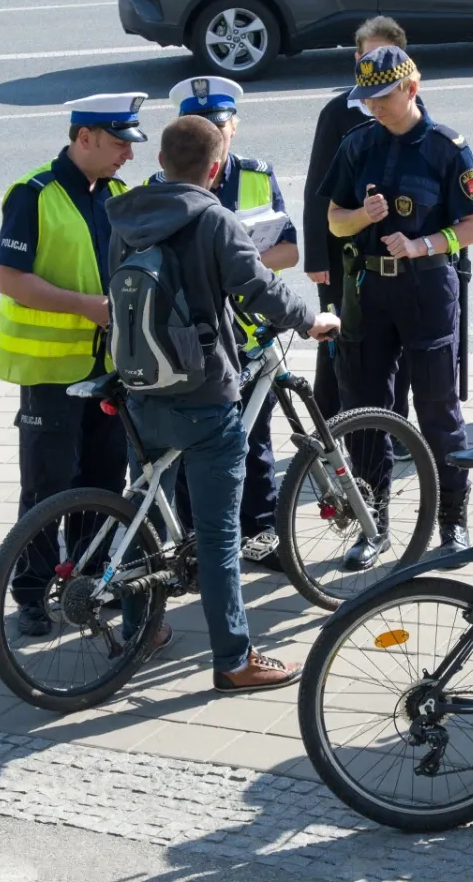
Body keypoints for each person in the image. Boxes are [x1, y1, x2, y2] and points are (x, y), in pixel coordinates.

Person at [105, 115, 342, 693]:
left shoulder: (128, 216)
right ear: (216, 169)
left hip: (141, 388)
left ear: (161, 163)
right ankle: (234, 660)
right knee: (217, 537)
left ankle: (141, 630)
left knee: (144, 517)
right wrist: (311, 319)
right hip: (203, 395)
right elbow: (258, 288)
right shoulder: (214, 218)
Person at [317, 45, 473, 570]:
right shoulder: (357, 144)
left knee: (437, 407)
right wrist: (362, 217)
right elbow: (334, 220)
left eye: (382, 97)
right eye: (366, 98)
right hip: (368, 289)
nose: (373, 106)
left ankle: (452, 520)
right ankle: (374, 524)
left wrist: (422, 245)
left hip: (426, 287)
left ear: (411, 89)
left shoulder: (446, 148)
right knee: (367, 408)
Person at [0, 92, 147, 637]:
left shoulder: (119, 194)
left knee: (103, 481)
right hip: (50, 372)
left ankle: (87, 583)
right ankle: (32, 594)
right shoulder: (34, 193)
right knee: (47, 489)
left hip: (109, 369)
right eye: (120, 143)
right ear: (85, 138)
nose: (129, 154)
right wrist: (85, 306)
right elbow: (10, 278)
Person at [150, 75, 298, 572]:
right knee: (191, 448)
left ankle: (260, 533)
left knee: (255, 441)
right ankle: (196, 541)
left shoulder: (257, 175)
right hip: (192, 342)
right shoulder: (160, 185)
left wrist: (238, 261)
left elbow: (290, 251)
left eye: (221, 124)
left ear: (234, 125)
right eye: (203, 125)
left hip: (250, 335)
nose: (216, 133)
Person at [303, 16, 412, 451]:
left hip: (392, 254)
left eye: (383, 56)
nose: (373, 66)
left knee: (394, 346)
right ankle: (328, 429)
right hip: (342, 253)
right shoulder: (338, 112)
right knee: (338, 344)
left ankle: (396, 429)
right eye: (366, 56)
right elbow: (317, 188)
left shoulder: (408, 107)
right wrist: (316, 256)